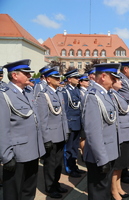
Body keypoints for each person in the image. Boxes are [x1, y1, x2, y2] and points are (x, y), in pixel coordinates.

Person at [0, 59, 46, 200]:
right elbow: (2, 128)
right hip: (17, 153)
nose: (30, 76)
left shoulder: (28, 92)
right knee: (13, 192)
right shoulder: (4, 95)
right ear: (15, 75)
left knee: (28, 190)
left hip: (32, 150)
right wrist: (6, 157)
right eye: (26, 73)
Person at [81, 63, 121, 199]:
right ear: (103, 76)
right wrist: (102, 159)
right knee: (99, 193)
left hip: (108, 152)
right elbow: (93, 133)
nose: (116, 81)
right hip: (100, 156)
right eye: (113, 78)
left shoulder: (105, 94)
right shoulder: (93, 97)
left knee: (104, 191)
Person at [36, 68, 69, 198]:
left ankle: (56, 183)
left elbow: (63, 115)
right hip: (51, 136)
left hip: (60, 134)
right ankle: (50, 187)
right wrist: (46, 139)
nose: (58, 79)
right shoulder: (43, 95)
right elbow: (42, 120)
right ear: (48, 79)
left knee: (58, 163)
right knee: (50, 164)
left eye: (59, 77)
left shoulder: (59, 93)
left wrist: (66, 132)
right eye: (55, 78)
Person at [110, 78, 129, 200]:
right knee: (117, 165)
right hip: (120, 134)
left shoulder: (118, 94)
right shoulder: (111, 95)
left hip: (125, 133)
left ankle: (118, 187)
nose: (121, 82)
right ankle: (114, 190)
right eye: (118, 80)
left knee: (122, 164)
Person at [63, 69, 86, 178]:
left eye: (78, 78)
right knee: (69, 148)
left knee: (75, 147)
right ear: (69, 79)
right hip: (70, 124)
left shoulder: (77, 90)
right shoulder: (65, 91)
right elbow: (65, 111)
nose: (78, 79)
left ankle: (74, 166)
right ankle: (69, 168)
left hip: (77, 123)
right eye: (76, 78)